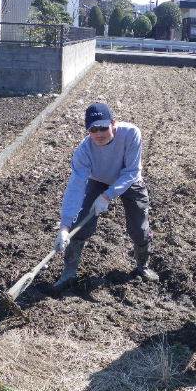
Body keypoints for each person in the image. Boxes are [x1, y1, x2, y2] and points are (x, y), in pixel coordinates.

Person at [52, 102, 159, 290]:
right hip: (98, 179)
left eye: (103, 127)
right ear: (88, 131)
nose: (99, 133)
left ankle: (143, 265)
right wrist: (64, 226)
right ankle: (69, 272)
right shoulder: (84, 151)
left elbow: (132, 171)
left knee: (139, 229)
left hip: (129, 180)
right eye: (93, 129)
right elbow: (75, 187)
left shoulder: (131, 133)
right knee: (81, 223)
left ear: (113, 124)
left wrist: (108, 196)